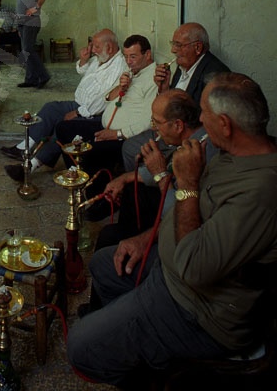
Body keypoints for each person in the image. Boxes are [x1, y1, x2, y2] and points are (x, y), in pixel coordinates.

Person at [67, 73, 277, 386]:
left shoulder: (261, 191)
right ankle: (124, 331)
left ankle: (151, 363)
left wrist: (187, 183)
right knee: (103, 264)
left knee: (80, 348)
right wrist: (143, 239)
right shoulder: (231, 154)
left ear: (224, 124)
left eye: (204, 113)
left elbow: (194, 266)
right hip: (169, 270)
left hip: (196, 309)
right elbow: (192, 213)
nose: (199, 119)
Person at [3, 28, 127, 182]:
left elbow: (102, 101)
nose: (92, 50)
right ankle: (24, 148)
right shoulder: (102, 57)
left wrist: (78, 113)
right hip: (79, 104)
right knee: (50, 108)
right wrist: (83, 60)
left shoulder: (119, 66)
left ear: (109, 47)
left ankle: (30, 166)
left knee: (61, 127)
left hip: (91, 113)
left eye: (96, 46)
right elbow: (84, 71)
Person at [86, 89, 202, 247]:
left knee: (108, 237)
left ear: (178, 125)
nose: (154, 129)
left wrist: (160, 173)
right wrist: (124, 178)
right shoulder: (186, 141)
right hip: (168, 206)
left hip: (176, 231)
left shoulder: (199, 152)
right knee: (130, 188)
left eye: (157, 122)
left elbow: (179, 216)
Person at [122, 22, 230, 171]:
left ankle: (149, 186)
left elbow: (204, 122)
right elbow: (172, 104)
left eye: (178, 45)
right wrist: (164, 88)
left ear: (197, 47)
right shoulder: (183, 65)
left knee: (136, 155)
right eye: (173, 44)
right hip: (168, 129)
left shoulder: (215, 75)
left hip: (184, 138)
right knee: (129, 147)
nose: (173, 50)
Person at [56, 34, 157, 184]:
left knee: (90, 152)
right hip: (105, 126)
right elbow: (107, 98)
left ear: (147, 55)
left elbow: (149, 121)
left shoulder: (155, 79)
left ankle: (96, 191)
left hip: (123, 137)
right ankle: (79, 178)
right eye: (126, 56)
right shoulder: (130, 72)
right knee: (63, 128)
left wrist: (117, 134)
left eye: (133, 57)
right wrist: (121, 87)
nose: (128, 62)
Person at [11, 0, 50, 88]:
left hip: (31, 22)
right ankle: (30, 79)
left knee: (28, 49)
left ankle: (43, 76)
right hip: (23, 23)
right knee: (25, 51)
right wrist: (18, 26)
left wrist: (36, 7)